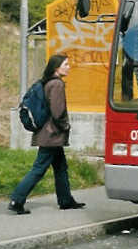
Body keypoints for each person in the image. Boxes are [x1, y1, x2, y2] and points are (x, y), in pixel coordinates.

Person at [8, 54, 85, 215]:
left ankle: (66, 200)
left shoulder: (47, 82)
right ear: (56, 68)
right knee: (39, 168)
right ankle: (17, 199)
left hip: (48, 134)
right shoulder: (57, 84)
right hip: (52, 135)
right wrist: (66, 126)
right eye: (66, 64)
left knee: (61, 167)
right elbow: (57, 112)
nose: (69, 67)